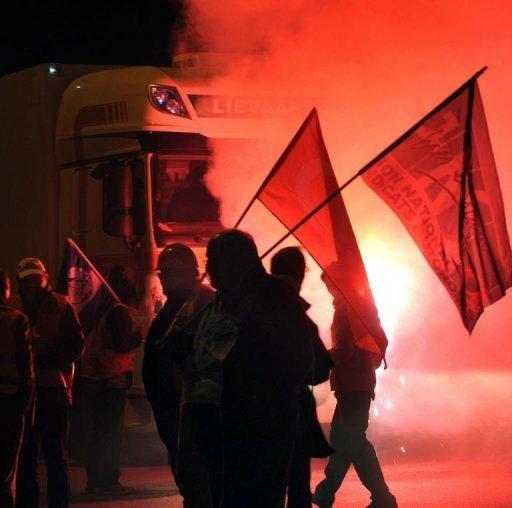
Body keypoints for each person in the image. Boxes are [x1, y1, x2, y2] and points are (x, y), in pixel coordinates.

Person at [187, 229, 312, 507]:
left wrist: (244, 371)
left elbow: (299, 360)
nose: (210, 270)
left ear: (236, 261)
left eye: (214, 261)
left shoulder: (275, 297)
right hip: (216, 425)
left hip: (260, 425)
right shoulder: (219, 302)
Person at [312, 268, 397, 508]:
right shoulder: (360, 309)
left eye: (329, 284)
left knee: (352, 442)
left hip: (352, 384)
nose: (328, 290)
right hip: (359, 383)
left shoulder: (344, 311)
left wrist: (319, 358)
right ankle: (327, 494)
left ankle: (382, 498)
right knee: (344, 440)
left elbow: (344, 351)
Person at [141, 243, 214, 503]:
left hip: (190, 408)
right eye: (162, 274)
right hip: (170, 406)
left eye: (168, 273)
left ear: (187, 273)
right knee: (187, 476)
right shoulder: (176, 306)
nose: (163, 279)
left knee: (199, 481)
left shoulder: (204, 302)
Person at [11, 258, 84, 508]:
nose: (31, 284)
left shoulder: (62, 305)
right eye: (27, 280)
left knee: (55, 457)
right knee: (26, 458)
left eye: (35, 278)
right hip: (23, 393)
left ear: (45, 278)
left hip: (54, 389)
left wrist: (47, 358)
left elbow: (77, 346)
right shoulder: (13, 307)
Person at [270, 247, 334, 508]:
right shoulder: (298, 317)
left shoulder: (248, 309)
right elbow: (319, 370)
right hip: (289, 410)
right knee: (297, 482)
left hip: (250, 412)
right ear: (298, 275)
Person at [80, 265, 144, 494]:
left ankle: (95, 479)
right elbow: (121, 344)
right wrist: (140, 335)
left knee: (98, 431)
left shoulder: (100, 308)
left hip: (95, 377)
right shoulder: (118, 310)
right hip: (112, 378)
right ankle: (107, 481)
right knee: (110, 433)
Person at [0, 269, 34, 507]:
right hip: (8, 402)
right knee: (5, 471)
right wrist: (26, 408)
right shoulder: (16, 319)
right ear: (6, 289)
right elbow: (26, 370)